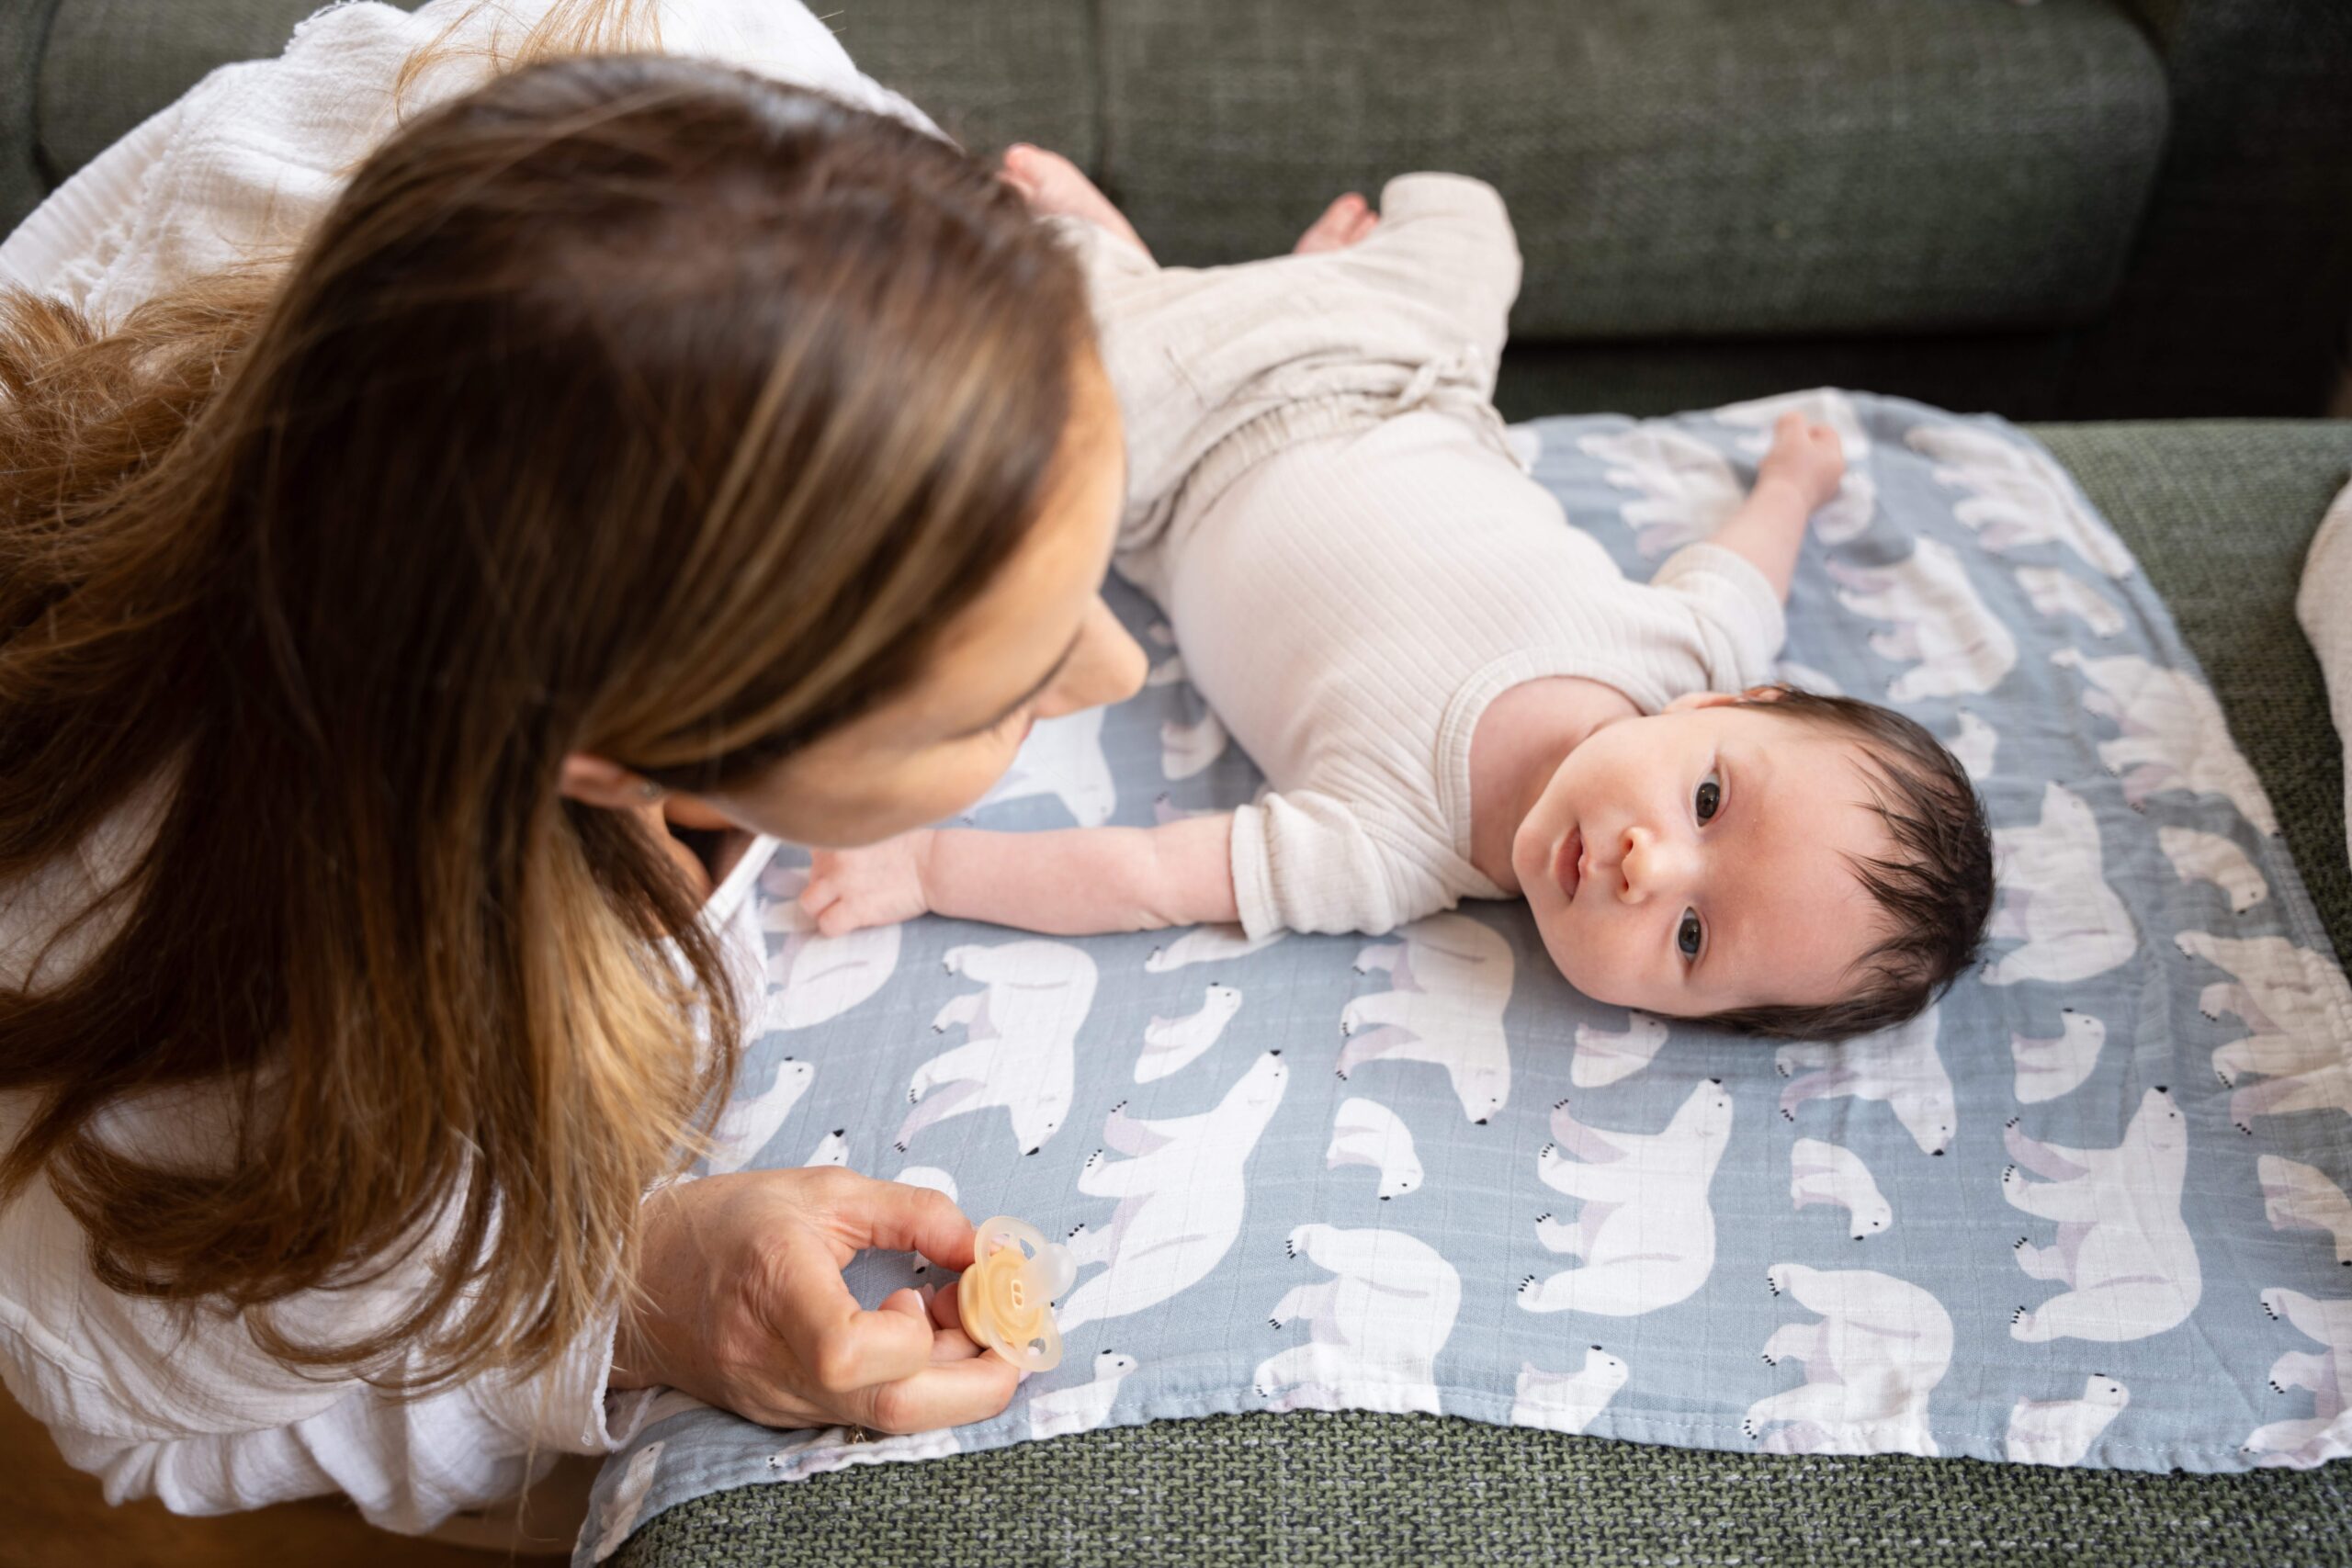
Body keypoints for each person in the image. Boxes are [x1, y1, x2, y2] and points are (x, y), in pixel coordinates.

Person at [0, 0, 1144, 1539]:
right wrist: (641, 1296)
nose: (1117, 672)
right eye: (993, 700)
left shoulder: (722, 84)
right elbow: (159, 1425)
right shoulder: (238, 1050)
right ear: (615, 756)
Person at [803, 154, 1996, 1038]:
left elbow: (1147, 877)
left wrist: (927, 872)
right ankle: (1254, 284)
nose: (1649, 867)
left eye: (1690, 938)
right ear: (1741, 702)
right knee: (1468, 221)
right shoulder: (1684, 652)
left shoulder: (1389, 851)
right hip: (1396, 371)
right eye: (1709, 801)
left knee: (986, 375)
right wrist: (1794, 476)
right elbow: (1749, 564)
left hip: (1169, 455)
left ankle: (1123, 264)